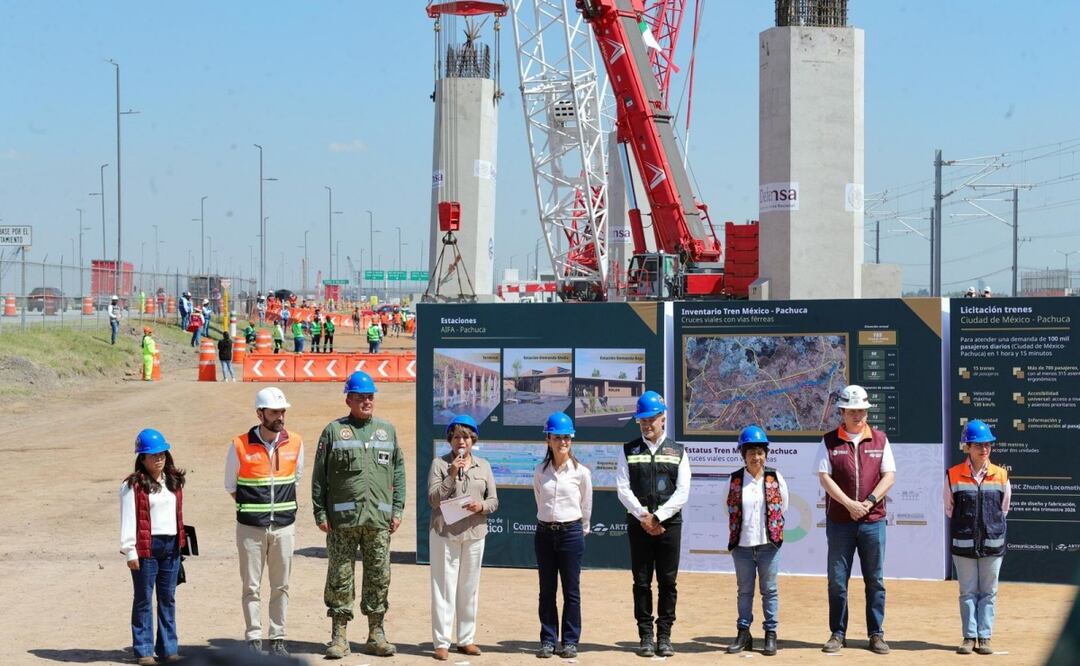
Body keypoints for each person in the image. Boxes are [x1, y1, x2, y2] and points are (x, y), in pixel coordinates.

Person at [312, 371, 406, 659]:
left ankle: (376, 633)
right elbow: (319, 476)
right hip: (342, 520)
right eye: (361, 396)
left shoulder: (386, 431)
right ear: (348, 399)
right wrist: (319, 512)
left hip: (378, 520)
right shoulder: (333, 431)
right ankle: (339, 636)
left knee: (378, 576)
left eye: (370, 396)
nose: (367, 400)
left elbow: (398, 471)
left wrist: (398, 508)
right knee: (340, 577)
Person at [816, 384, 896, 655]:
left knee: (875, 580)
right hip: (840, 521)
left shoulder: (880, 439)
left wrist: (869, 502)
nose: (858, 416)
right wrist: (849, 504)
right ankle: (837, 633)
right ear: (842, 412)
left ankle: (876, 633)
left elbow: (889, 476)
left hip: (873, 521)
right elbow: (824, 477)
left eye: (861, 410)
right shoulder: (829, 441)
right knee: (837, 580)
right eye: (852, 411)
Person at [225, 387, 304, 657]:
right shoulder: (239, 444)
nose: (280, 416)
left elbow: (296, 478)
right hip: (250, 527)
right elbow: (230, 485)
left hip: (284, 526)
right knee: (251, 586)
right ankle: (254, 638)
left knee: (281, 585)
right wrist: (255, 510)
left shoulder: (295, 442)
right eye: (274, 412)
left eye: (282, 411)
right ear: (260, 414)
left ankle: (278, 637)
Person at [615, 390, 690, 658]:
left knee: (668, 582)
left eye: (651, 419)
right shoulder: (629, 450)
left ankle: (665, 636)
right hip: (639, 526)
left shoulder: (678, 451)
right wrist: (643, 516)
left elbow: (682, 492)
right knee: (642, 582)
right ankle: (646, 635)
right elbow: (623, 488)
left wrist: (658, 517)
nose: (647, 425)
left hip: (669, 526)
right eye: (642, 420)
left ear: (663, 418)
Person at [427, 414, 499, 660]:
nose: (461, 441)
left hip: (474, 533)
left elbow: (493, 501)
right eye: (457, 436)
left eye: (466, 437)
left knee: (469, 588)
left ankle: (466, 639)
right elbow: (433, 499)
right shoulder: (439, 463)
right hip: (444, 533)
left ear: (473, 440)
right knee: (444, 588)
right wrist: (450, 475)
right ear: (450, 440)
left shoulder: (484, 466)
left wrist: (481, 507)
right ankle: (442, 642)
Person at [120, 428, 187, 665]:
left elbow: (177, 515)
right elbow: (129, 518)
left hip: (171, 546)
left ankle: (169, 648)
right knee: (144, 599)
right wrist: (130, 550)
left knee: (168, 598)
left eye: (162, 454)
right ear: (142, 458)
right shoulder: (133, 485)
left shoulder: (173, 480)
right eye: (153, 455)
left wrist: (181, 544)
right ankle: (144, 650)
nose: (159, 459)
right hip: (146, 548)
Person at [946, 420, 1011, 655]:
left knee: (989, 592)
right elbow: (949, 508)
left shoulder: (1001, 475)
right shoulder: (953, 475)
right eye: (978, 445)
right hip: (963, 546)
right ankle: (969, 637)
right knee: (967, 592)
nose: (984, 449)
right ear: (967, 447)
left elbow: (1003, 510)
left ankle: (984, 637)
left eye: (987, 445)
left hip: (992, 546)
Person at [725, 426, 789, 657]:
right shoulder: (734, 480)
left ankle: (770, 635)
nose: (756, 457)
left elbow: (783, 507)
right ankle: (744, 634)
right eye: (751, 452)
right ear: (743, 454)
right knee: (744, 591)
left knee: (770, 591)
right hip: (742, 547)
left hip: (768, 546)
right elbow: (729, 509)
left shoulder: (775, 478)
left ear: (766, 454)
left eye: (760, 452)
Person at [533, 412, 592, 659]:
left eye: (567, 438)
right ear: (548, 439)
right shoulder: (540, 471)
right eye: (557, 437)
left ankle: (569, 641)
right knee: (547, 590)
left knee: (571, 590)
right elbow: (539, 499)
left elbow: (586, 505)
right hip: (545, 534)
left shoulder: (581, 472)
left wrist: (580, 529)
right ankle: (548, 639)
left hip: (571, 534)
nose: (563, 443)